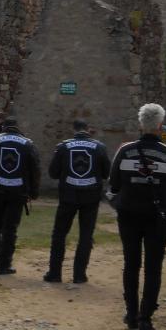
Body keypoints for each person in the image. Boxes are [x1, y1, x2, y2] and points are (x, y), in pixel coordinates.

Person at [108, 103, 166, 330]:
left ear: (141, 124)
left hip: (128, 214)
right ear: (160, 125)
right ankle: (146, 317)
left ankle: (131, 314)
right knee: (153, 267)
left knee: (131, 264)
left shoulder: (124, 151)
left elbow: (114, 183)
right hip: (156, 216)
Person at [45, 119, 112, 284]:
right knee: (86, 236)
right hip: (91, 197)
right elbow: (106, 173)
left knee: (59, 234)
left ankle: (54, 273)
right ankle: (79, 275)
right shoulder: (100, 147)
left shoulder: (63, 146)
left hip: (68, 196)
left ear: (73, 129)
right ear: (88, 129)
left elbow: (53, 173)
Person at [0, 118, 41, 275]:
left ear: (3, 127)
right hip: (18, 192)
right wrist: (33, 192)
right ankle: (4, 265)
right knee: (10, 228)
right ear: (17, 128)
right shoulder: (28, 143)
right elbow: (35, 169)